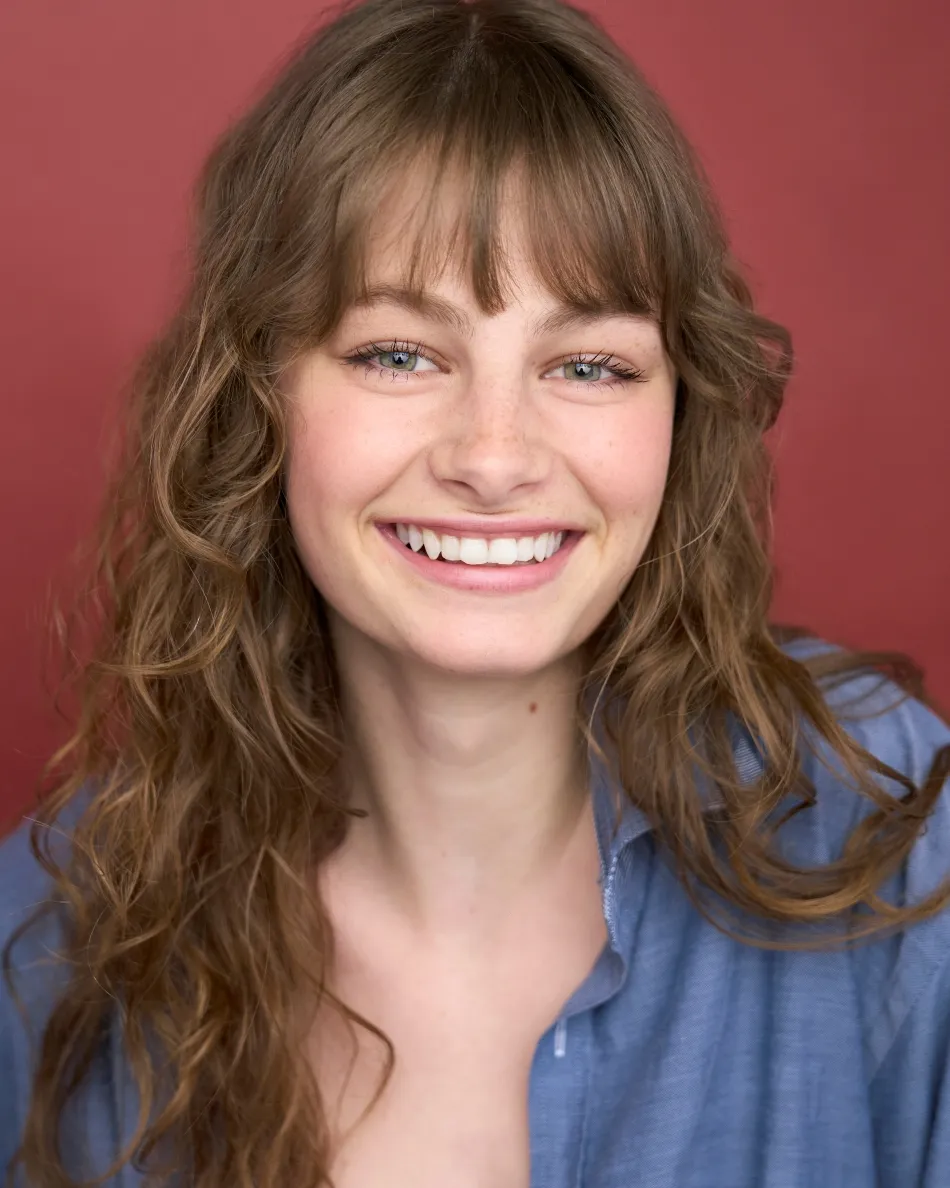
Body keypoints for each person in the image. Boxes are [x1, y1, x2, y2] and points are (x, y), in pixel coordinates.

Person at [2, 0, 949, 1184]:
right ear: (257, 397)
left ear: (678, 414)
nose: (493, 458)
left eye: (589, 365)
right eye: (398, 354)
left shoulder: (886, 825)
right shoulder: (53, 938)